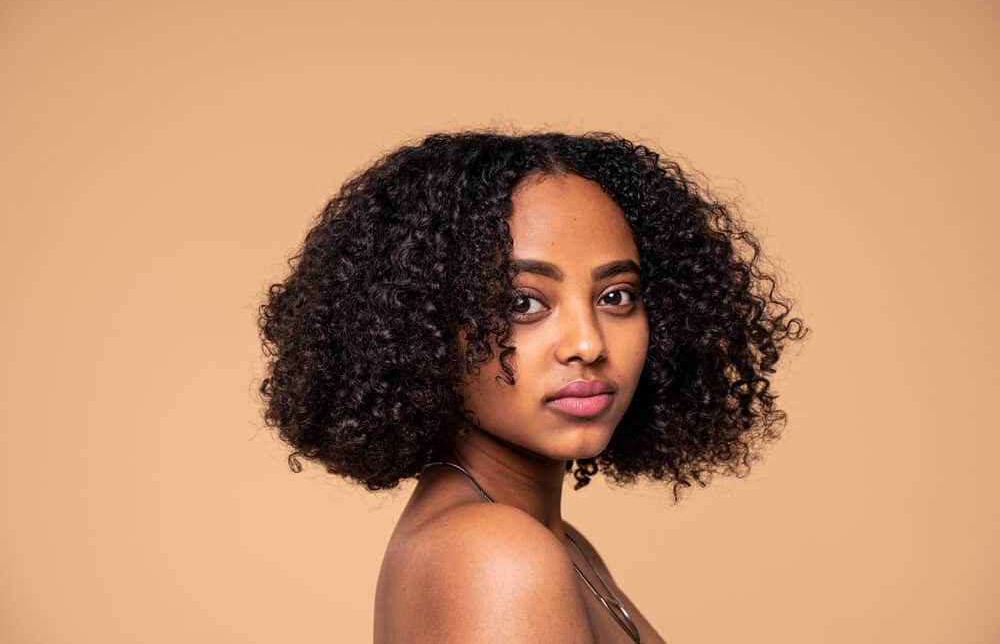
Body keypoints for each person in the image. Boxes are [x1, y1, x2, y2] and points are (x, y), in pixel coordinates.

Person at [257, 130, 807, 643]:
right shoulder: (496, 555)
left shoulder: (556, 545)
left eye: (616, 296)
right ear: (421, 328)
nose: (588, 344)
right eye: (523, 303)